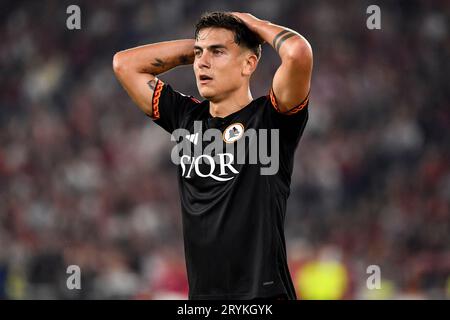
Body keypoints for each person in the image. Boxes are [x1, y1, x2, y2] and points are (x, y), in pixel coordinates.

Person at [113, 11, 313, 300]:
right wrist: (202, 47)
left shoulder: (272, 118)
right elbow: (124, 64)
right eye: (199, 54)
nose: (202, 63)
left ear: (249, 63)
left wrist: (253, 27)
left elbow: (298, 53)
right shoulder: (185, 117)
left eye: (218, 53)